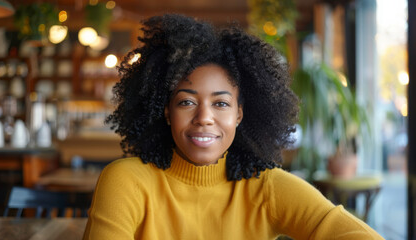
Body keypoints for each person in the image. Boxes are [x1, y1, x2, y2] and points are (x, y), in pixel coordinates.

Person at [83, 14, 384, 240]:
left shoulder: (266, 187)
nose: (204, 117)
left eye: (221, 104)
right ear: (166, 112)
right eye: (186, 102)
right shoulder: (126, 181)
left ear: (240, 115)